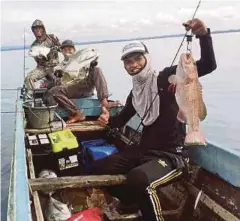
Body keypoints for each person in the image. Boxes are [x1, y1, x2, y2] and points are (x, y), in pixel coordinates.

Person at [90, 18, 217, 221]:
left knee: (139, 179)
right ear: (124, 66)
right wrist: (106, 119)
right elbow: (121, 120)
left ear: (147, 58)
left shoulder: (166, 77)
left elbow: (208, 65)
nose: (133, 64)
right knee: (97, 169)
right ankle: (132, 201)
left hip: (171, 155)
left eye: (138, 59)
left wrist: (203, 35)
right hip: (145, 151)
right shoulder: (135, 93)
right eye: (128, 62)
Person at [44, 39, 119, 124]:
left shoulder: (82, 58)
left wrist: (93, 63)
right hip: (71, 89)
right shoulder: (60, 65)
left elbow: (91, 68)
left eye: (70, 48)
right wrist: (57, 75)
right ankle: (77, 113)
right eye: (64, 49)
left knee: (97, 70)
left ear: (74, 50)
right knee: (53, 91)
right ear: (61, 51)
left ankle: (104, 102)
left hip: (84, 86)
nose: (67, 51)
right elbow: (55, 77)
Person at [24, 19, 61, 92]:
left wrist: (56, 48)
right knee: (28, 78)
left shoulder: (52, 38)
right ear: (33, 31)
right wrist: (40, 56)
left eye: (39, 28)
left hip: (55, 66)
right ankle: (33, 96)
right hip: (42, 69)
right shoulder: (34, 45)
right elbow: (37, 61)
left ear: (43, 28)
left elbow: (61, 49)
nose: (37, 30)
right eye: (35, 29)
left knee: (61, 78)